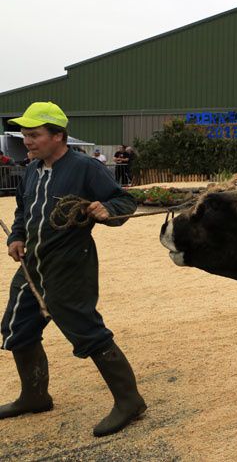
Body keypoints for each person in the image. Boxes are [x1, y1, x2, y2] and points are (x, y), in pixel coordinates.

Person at [0, 102, 146, 436]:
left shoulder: (84, 168)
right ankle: (34, 396)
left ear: (58, 136)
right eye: (25, 135)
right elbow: (23, 208)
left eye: (35, 135)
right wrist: (17, 237)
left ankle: (130, 401)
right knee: (17, 327)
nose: (27, 141)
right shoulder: (32, 169)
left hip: (70, 264)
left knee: (86, 330)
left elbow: (124, 202)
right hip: (31, 266)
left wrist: (106, 209)